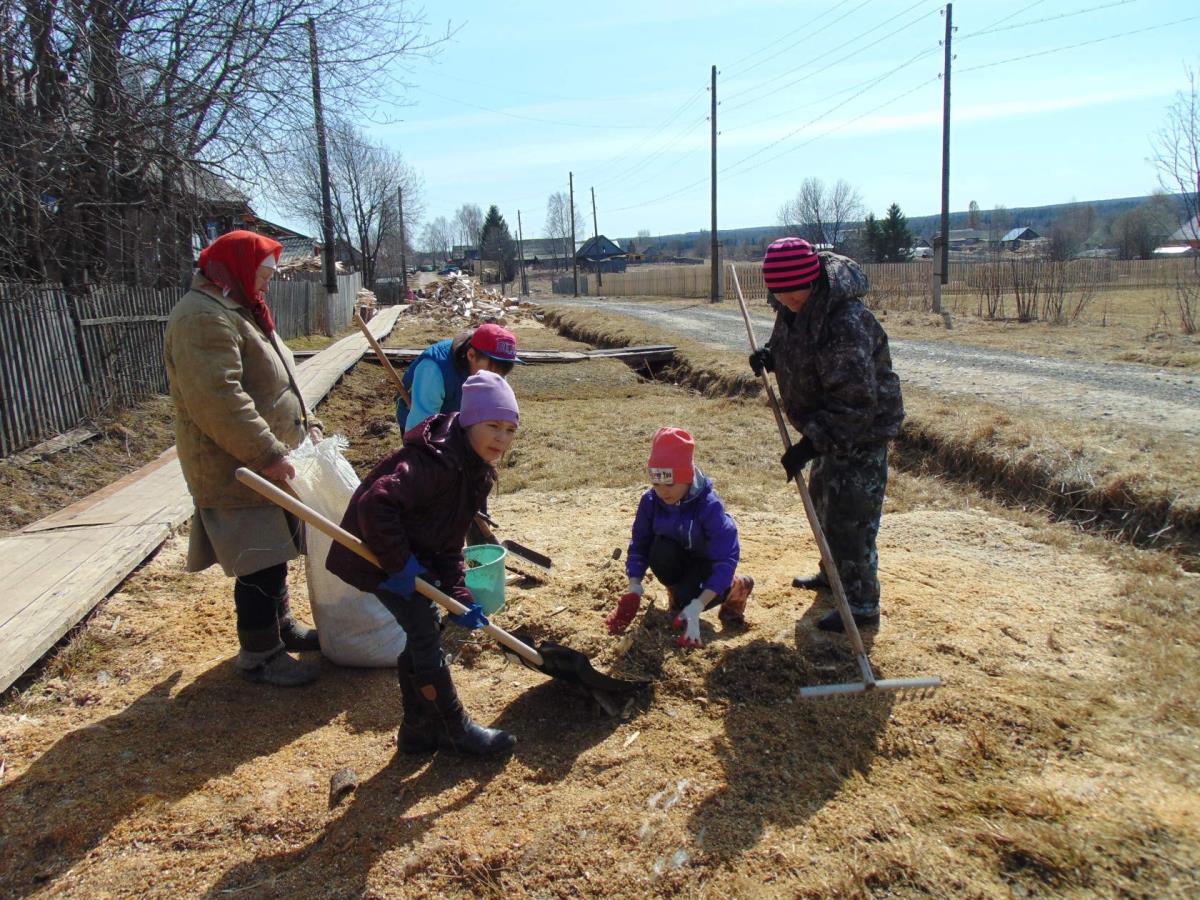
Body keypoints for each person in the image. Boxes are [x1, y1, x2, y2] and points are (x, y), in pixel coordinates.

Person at [326, 371, 519, 757]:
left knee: (422, 629)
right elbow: (374, 504)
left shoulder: (475, 473)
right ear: (468, 422)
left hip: (410, 558)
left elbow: (450, 539)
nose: (502, 438)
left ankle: (417, 729)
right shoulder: (432, 461)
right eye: (493, 425)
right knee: (423, 628)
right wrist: (401, 566)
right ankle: (452, 727)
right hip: (376, 558)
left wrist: (458, 591)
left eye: (510, 429)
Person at [164, 229, 322, 686]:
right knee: (259, 557)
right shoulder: (202, 318)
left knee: (276, 548)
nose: (268, 283)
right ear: (234, 266)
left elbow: (279, 380)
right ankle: (259, 652)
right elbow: (218, 398)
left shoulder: (238, 309)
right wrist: (267, 452)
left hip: (261, 460)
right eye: (264, 273)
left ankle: (282, 625)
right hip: (235, 465)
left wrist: (307, 425)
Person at [748, 237, 905, 632]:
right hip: (828, 429)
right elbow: (794, 347)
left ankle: (862, 605)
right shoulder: (794, 309)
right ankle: (832, 575)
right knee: (823, 504)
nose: (786, 299)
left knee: (850, 521)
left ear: (814, 281)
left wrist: (809, 444)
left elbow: (854, 401)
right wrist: (772, 357)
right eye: (779, 292)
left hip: (859, 432)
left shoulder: (844, 322)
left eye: (793, 290)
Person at [606, 427, 754, 649]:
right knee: (659, 553)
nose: (663, 492)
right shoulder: (650, 502)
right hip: (680, 557)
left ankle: (736, 588)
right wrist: (634, 587)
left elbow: (725, 558)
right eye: (656, 483)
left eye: (670, 484)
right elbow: (640, 544)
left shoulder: (709, 506)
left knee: (691, 596)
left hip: (708, 564)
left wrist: (698, 605)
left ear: (687, 478)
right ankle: (681, 598)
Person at [396, 323, 521, 431]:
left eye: (501, 375)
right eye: (490, 373)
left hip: (459, 420)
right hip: (421, 419)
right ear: (471, 355)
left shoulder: (496, 371)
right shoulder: (434, 369)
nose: (494, 380)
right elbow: (420, 426)